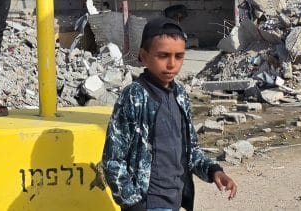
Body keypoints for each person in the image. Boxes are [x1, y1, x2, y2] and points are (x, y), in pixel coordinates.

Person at [102, 17, 237, 211]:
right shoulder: (134, 96)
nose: (172, 64)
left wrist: (214, 171)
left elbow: (191, 150)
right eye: (163, 55)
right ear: (144, 56)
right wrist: (133, 203)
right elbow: (113, 160)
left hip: (175, 200)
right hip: (148, 203)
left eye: (179, 56)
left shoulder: (180, 95)